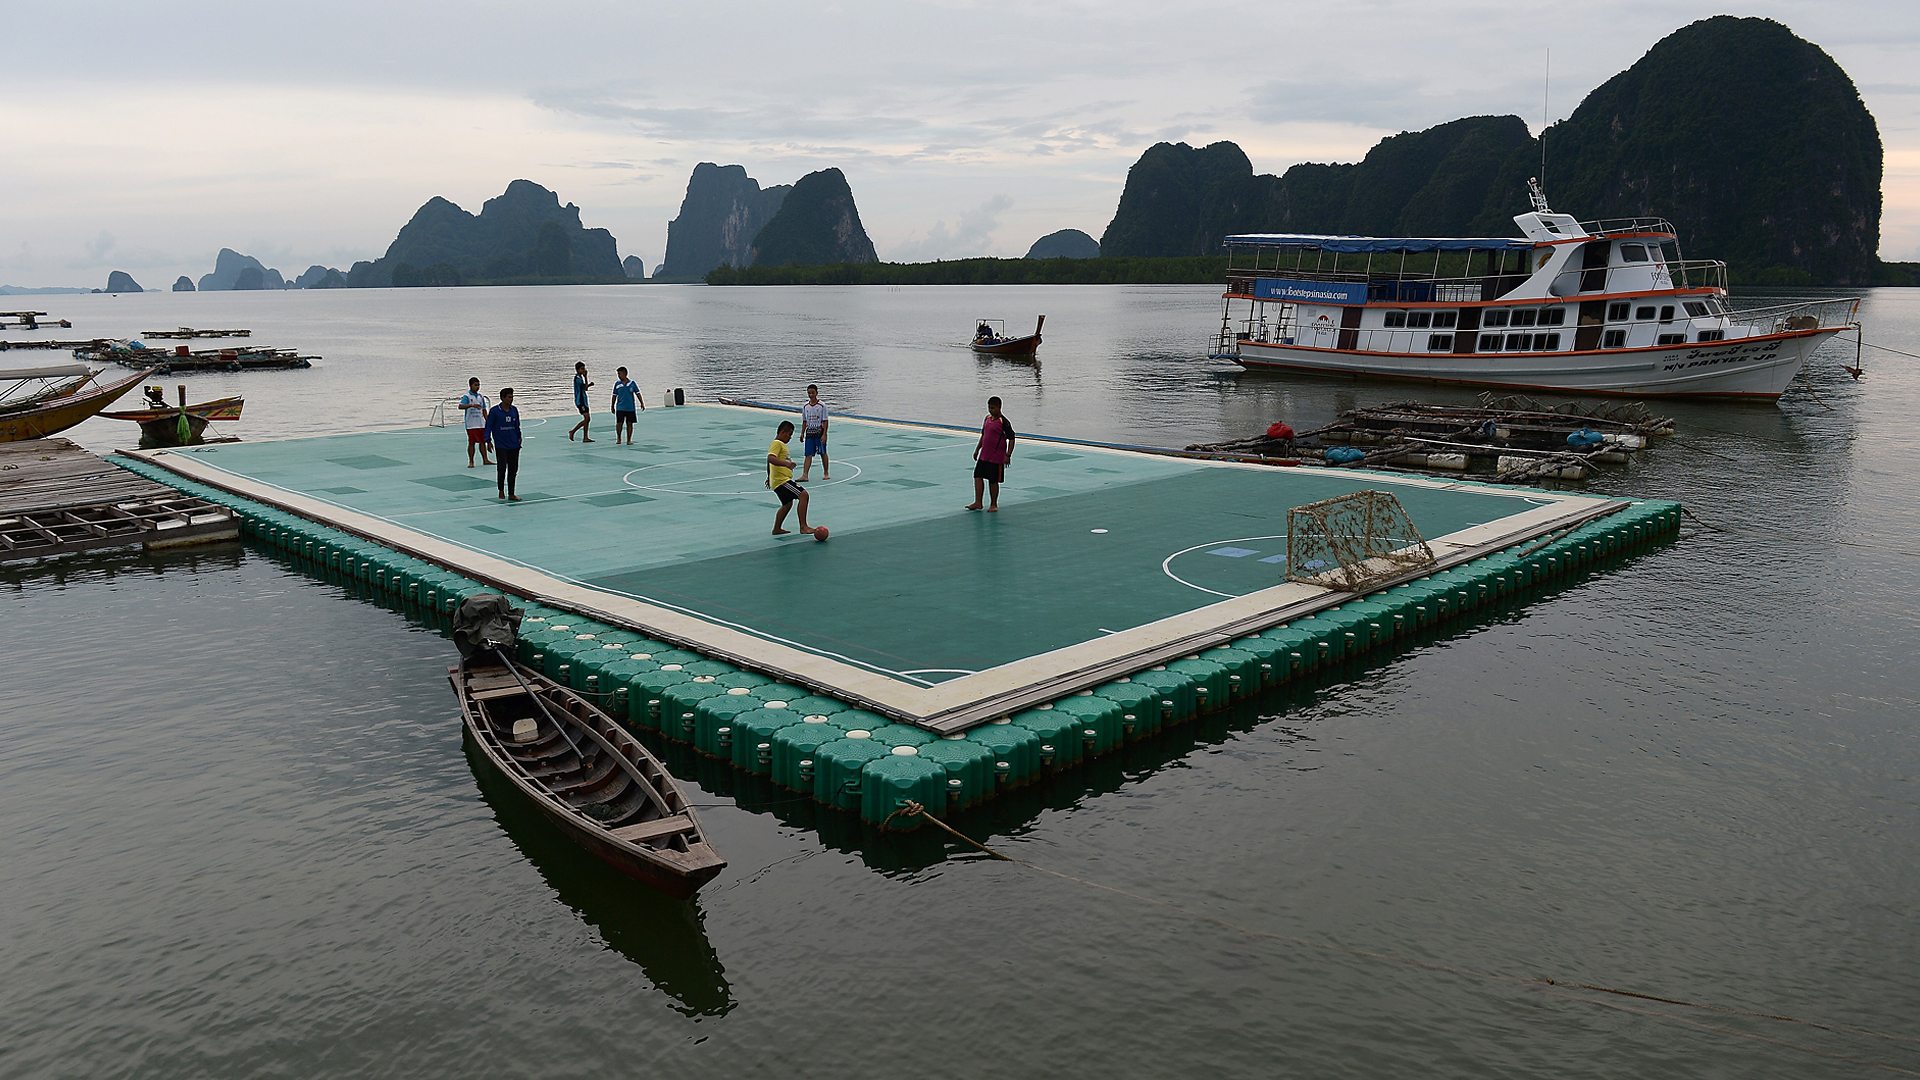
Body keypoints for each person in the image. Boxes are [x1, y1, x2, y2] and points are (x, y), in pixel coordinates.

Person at [965, 396, 1016, 512]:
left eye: (993, 408)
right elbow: (984, 436)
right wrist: (977, 449)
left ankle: (993, 504)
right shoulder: (987, 419)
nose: (990, 410)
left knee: (993, 481)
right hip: (984, 456)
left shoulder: (1004, 422)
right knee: (977, 476)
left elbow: (1012, 439)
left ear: (999, 407)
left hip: (996, 458)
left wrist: (1008, 455)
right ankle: (978, 502)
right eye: (989, 407)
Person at [766, 419, 811, 535]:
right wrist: (787, 464)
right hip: (782, 481)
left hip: (778, 481)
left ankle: (776, 528)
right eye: (789, 434)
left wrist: (769, 476)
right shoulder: (777, 443)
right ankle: (803, 526)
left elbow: (769, 462)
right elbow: (770, 458)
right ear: (782, 432)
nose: (790, 438)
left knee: (787, 504)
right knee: (803, 495)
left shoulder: (778, 445)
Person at [486, 388, 523, 501]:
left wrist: (519, 437)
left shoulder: (514, 410)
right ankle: (501, 490)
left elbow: (517, 425)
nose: (511, 399)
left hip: (514, 445)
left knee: (513, 469)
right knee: (502, 468)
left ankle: (511, 493)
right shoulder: (494, 411)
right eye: (509, 397)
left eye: (512, 397)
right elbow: (488, 427)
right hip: (501, 445)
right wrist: (488, 440)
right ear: (502, 398)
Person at [459, 377, 492, 467]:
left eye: (478, 385)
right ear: (470, 385)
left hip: (481, 423)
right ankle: (471, 461)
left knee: (482, 442)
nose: (477, 387)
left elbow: (484, 409)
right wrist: (471, 405)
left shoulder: (481, 396)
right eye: (475, 385)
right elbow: (460, 406)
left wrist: (488, 421)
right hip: (471, 424)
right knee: (471, 442)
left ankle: (485, 459)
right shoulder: (467, 396)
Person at [799, 383, 829, 481]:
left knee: (822, 453)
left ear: (816, 393)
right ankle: (805, 475)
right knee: (808, 454)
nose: (811, 395)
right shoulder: (805, 406)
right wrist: (802, 433)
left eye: (812, 393)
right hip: (809, 433)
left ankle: (826, 472)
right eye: (809, 393)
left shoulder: (822, 406)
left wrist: (824, 434)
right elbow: (804, 421)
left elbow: (825, 421)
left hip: (819, 432)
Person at [610, 366, 644, 444]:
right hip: (620, 407)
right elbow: (614, 395)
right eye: (618, 374)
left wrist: (641, 403)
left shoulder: (632, 383)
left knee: (629, 423)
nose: (618, 376)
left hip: (630, 407)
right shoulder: (617, 384)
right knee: (619, 423)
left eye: (620, 374)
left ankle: (629, 440)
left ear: (625, 374)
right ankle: (618, 438)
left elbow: (637, 393)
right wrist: (612, 405)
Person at [567, 361, 594, 442]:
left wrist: (589, 385)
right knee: (587, 418)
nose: (584, 370)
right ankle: (573, 431)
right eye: (582, 369)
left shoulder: (580, 378)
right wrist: (586, 377)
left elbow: (585, 388)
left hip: (584, 400)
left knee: (588, 419)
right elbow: (584, 387)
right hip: (580, 401)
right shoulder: (577, 378)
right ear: (578, 370)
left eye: (584, 368)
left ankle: (585, 437)